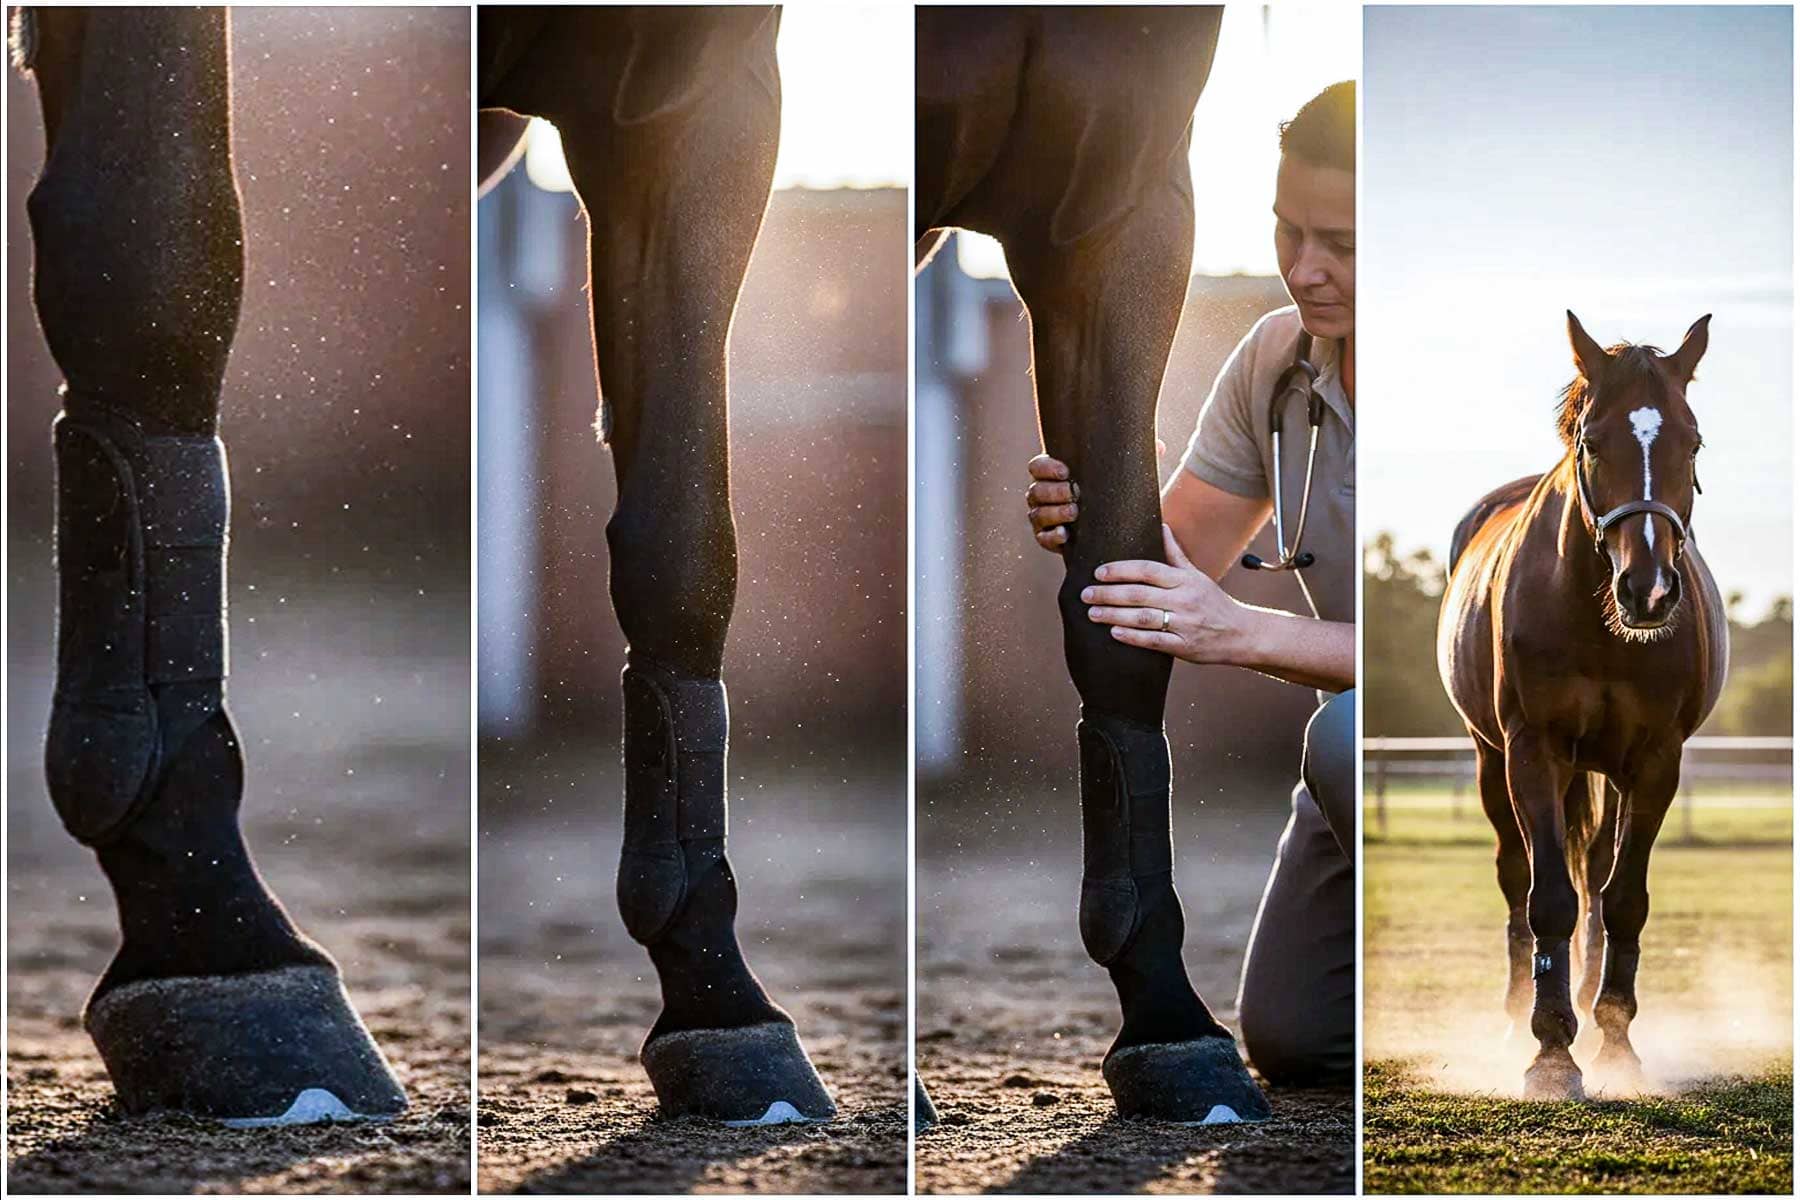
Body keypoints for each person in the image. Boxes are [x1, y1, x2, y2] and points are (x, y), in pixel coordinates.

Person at [1025, 80, 1355, 1084]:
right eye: (1288, 231)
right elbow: (1172, 559)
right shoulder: (1274, 360)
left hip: (1458, 734)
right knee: (1295, 1039)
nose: (1303, 269)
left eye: (1342, 244)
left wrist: (1242, 632)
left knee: (1344, 733)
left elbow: (1461, 664)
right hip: (1350, 761)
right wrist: (1095, 509)